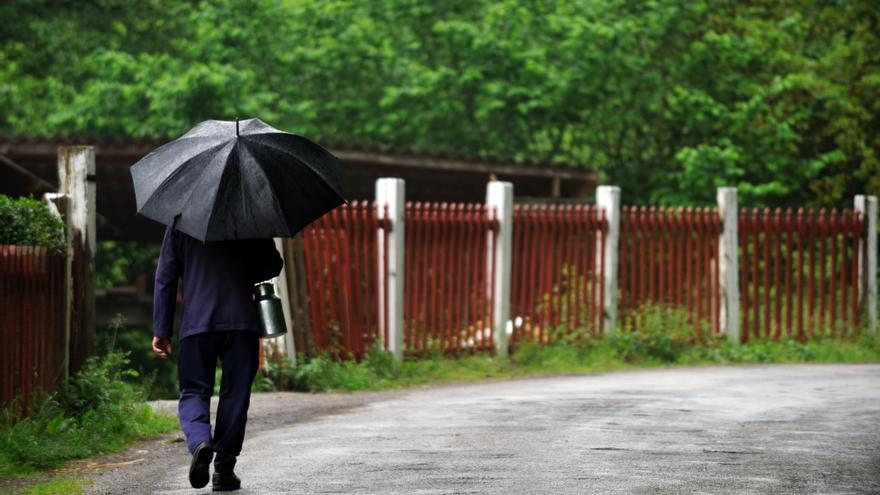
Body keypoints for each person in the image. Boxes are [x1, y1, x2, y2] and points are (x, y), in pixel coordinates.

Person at [151, 225, 283, 491]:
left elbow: (166, 276)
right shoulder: (249, 217)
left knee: (193, 391)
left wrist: (162, 330)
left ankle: (200, 441)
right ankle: (224, 470)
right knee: (235, 394)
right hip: (241, 322)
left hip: (197, 323)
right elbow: (270, 267)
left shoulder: (180, 221)